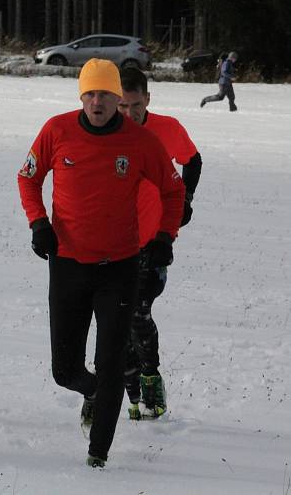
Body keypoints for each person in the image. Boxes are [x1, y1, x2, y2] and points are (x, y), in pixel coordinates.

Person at [17, 58, 185, 467]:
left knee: (111, 362)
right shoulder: (57, 130)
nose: (98, 102)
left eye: (106, 95)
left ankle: (99, 454)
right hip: (69, 264)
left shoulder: (140, 142)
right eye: (90, 94)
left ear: (118, 99)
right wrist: (39, 224)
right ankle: (89, 391)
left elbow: (172, 191)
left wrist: (164, 237)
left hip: (120, 267)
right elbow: (28, 177)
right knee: (65, 370)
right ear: (81, 96)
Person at [117, 67, 203, 420]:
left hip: (155, 241)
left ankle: (149, 374)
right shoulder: (108, 131)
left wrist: (186, 200)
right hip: (114, 241)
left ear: (147, 100)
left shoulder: (166, 128)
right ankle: (132, 384)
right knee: (117, 317)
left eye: (135, 105)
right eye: (121, 105)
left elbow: (193, 160)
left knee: (137, 312)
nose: (128, 113)